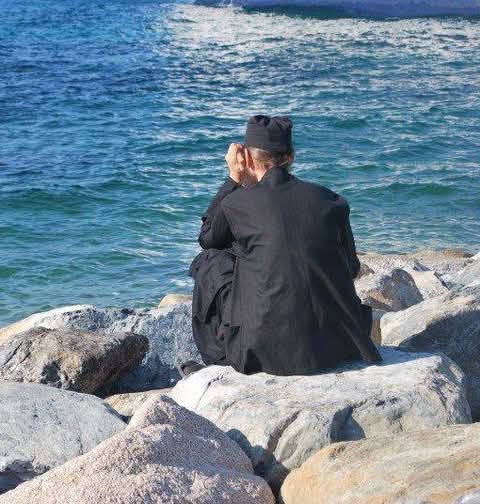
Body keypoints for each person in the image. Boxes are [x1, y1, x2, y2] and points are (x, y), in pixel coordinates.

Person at [182, 115, 381, 378]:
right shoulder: (331, 200)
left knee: (210, 260)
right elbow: (351, 269)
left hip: (264, 352)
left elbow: (207, 238)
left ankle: (218, 358)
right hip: (339, 343)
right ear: (291, 157)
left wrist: (233, 179)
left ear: (247, 158)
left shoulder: (237, 203)